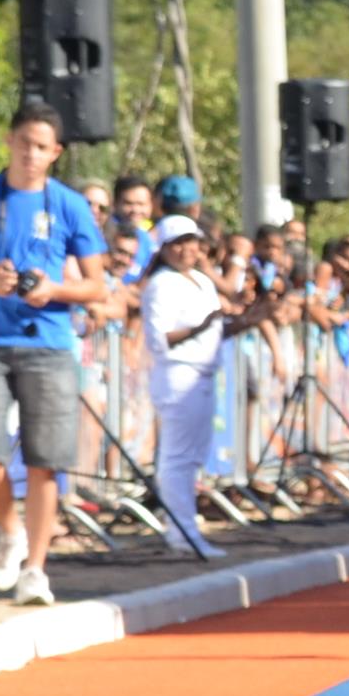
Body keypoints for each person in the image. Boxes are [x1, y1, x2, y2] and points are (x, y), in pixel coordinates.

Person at [0, 102, 109, 607]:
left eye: (41, 146)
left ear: (55, 153)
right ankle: (9, 530)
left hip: (48, 342)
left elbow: (96, 285)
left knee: (43, 462)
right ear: (9, 141)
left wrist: (52, 289)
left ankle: (35, 568)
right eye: (23, 142)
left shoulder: (70, 205)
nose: (30, 153)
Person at [138, 215, 232, 553]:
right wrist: (201, 325)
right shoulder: (161, 284)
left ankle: (185, 527)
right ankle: (181, 532)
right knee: (177, 458)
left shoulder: (203, 281)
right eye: (178, 242)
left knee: (193, 457)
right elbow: (160, 339)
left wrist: (250, 318)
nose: (186, 248)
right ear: (163, 248)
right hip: (178, 374)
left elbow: (216, 328)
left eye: (191, 241)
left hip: (204, 372)